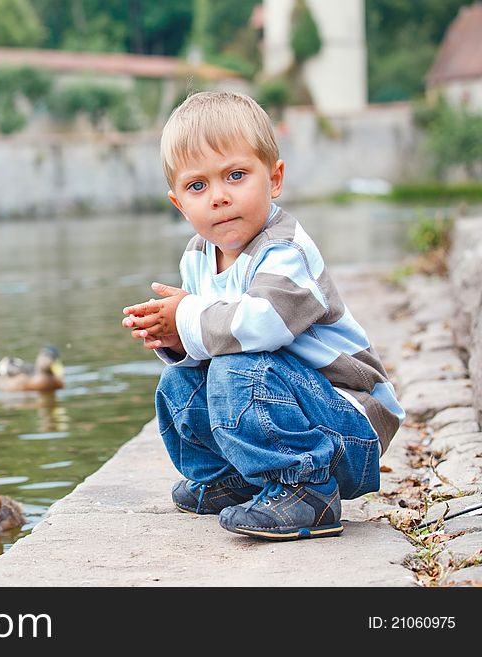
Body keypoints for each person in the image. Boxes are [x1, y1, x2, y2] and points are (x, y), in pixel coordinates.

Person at [121, 91, 404, 541]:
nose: (218, 197)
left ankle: (307, 489)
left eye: (235, 175)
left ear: (274, 179)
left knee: (240, 366)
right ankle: (238, 477)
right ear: (178, 204)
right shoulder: (198, 256)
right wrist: (174, 338)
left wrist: (189, 315)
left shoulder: (285, 249)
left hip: (349, 423)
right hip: (291, 412)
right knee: (179, 384)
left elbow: (261, 325)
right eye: (198, 186)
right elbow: (210, 342)